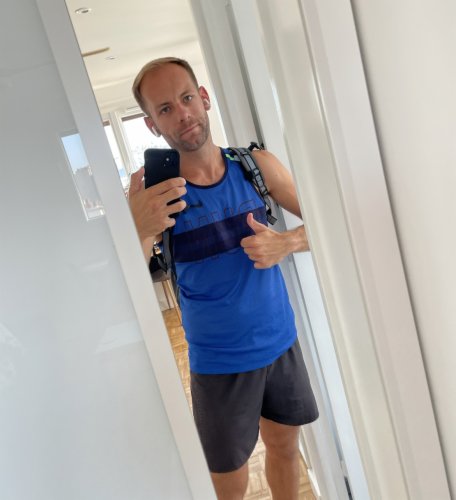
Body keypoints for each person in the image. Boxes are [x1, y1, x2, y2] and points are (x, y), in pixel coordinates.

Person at [128, 57, 318, 500]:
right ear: (152, 125)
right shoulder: (154, 198)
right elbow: (125, 288)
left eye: (186, 98)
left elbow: (330, 222)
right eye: (165, 109)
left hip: (280, 345)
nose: (183, 114)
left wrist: (287, 242)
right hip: (218, 366)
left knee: (285, 449)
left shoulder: (256, 166)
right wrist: (137, 228)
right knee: (227, 485)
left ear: (204, 98)